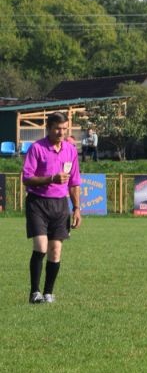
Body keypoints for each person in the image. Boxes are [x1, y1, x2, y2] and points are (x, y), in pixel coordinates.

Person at [21, 112, 82, 304]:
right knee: (41, 247)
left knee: (55, 250)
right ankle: (34, 293)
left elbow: (74, 183)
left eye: (64, 129)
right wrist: (51, 179)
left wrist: (77, 208)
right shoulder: (37, 148)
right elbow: (26, 178)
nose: (61, 132)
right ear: (48, 128)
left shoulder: (70, 150)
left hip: (60, 205)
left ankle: (48, 293)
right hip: (38, 203)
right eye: (57, 128)